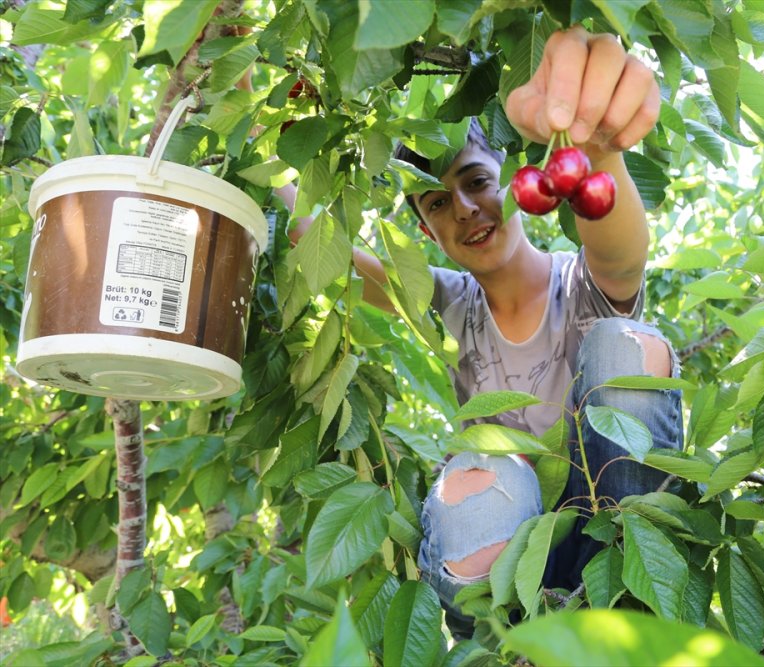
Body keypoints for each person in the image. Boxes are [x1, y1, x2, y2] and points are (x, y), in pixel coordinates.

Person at [283, 27, 683, 636]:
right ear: (426, 233)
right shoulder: (446, 302)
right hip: (511, 561)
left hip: (616, 531)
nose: (464, 209)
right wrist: (260, 137)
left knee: (625, 343)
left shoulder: (581, 287)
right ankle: (502, 644)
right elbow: (316, 244)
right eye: (438, 205)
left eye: (475, 182)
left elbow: (621, 252)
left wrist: (595, 151)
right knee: (477, 466)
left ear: (513, 179)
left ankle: (636, 597)